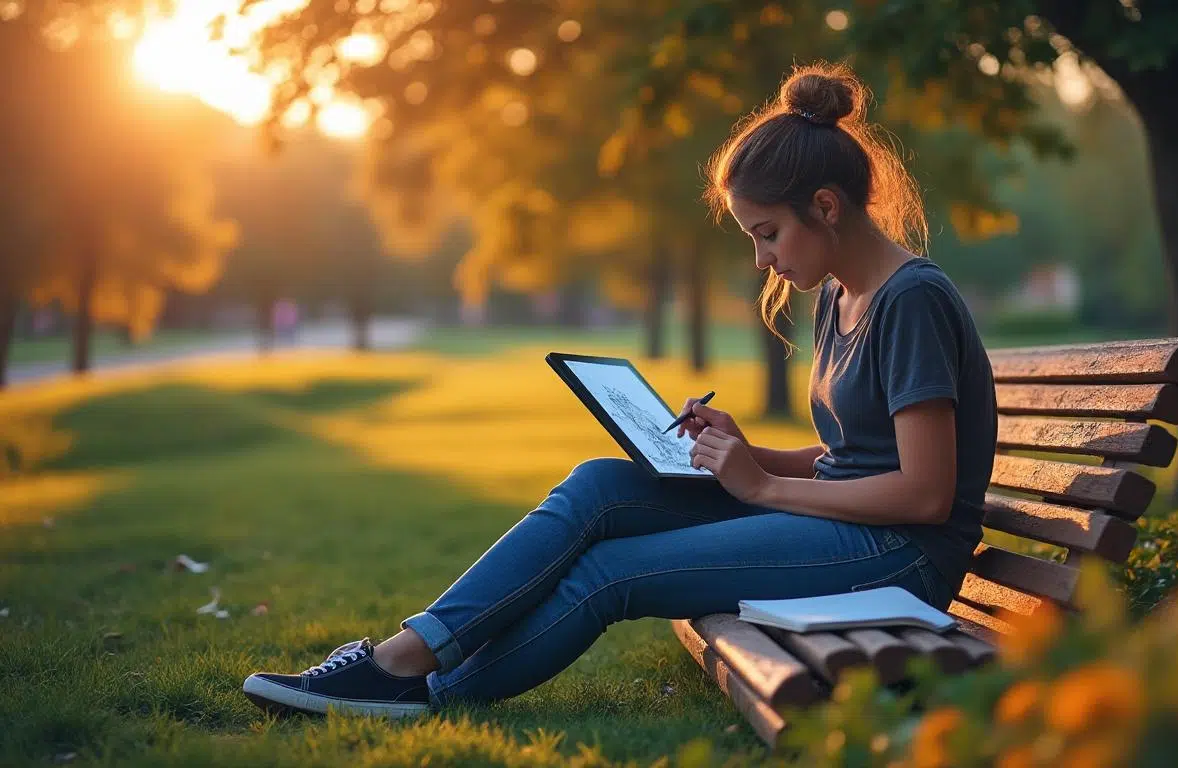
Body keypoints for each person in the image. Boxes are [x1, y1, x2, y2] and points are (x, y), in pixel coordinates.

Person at [241, 62, 998, 719]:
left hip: (901, 558)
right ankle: (413, 649)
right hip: (848, 528)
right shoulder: (841, 295)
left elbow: (923, 496)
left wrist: (762, 486)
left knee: (615, 572)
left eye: (767, 233)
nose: (763, 260)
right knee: (599, 486)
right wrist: (746, 453)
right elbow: (854, 458)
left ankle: (422, 691)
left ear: (826, 207)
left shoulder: (911, 301)